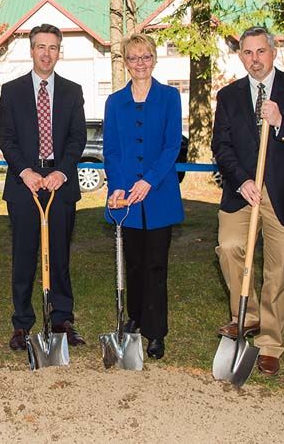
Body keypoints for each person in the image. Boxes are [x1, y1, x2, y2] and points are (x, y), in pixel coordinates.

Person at [211, 26, 284, 375]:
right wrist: (241, 179)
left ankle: (270, 343)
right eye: (247, 53)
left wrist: (282, 122)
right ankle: (245, 317)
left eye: (260, 51)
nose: (254, 59)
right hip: (243, 191)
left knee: (278, 270)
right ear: (241, 56)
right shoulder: (229, 95)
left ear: (273, 51)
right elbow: (222, 145)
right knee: (229, 246)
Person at [0, 24, 87, 350]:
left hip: (60, 183)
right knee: (24, 255)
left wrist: (62, 172)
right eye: (40, 47)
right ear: (31, 50)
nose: (46, 53)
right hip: (24, 185)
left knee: (59, 256)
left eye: (53, 47)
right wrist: (24, 172)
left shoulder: (72, 90)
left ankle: (62, 318)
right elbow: (5, 137)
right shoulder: (12, 90)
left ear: (59, 51)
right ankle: (22, 324)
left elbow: (78, 137)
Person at [102, 33, 184, 359]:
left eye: (146, 57)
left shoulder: (169, 97)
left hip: (158, 195)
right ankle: (134, 321)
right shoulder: (114, 102)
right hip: (126, 199)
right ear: (125, 62)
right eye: (134, 58)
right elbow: (111, 150)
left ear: (154, 59)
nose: (140, 64)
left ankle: (156, 332)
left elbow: (171, 146)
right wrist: (119, 185)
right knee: (132, 265)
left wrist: (149, 181)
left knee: (155, 267)